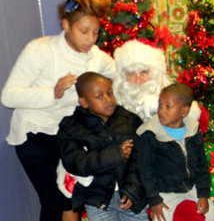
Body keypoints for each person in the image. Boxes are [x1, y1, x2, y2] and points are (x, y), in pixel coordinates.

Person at [1, 0, 115, 221]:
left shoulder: (99, 59)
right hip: (34, 133)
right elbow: (8, 97)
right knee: (53, 200)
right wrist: (52, 92)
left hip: (67, 136)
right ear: (66, 25)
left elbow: (120, 85)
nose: (90, 39)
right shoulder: (41, 50)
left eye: (95, 32)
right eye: (84, 31)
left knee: (71, 198)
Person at [57, 72, 149, 221]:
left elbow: (142, 159)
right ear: (84, 102)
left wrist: (133, 190)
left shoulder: (129, 120)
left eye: (110, 93)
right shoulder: (72, 127)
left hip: (132, 198)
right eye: (99, 96)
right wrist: (116, 154)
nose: (108, 100)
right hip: (98, 200)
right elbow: (75, 162)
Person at [136, 83, 214, 221]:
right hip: (165, 192)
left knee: (210, 215)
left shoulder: (193, 130)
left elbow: (201, 165)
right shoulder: (150, 134)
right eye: (160, 105)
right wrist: (154, 199)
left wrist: (203, 194)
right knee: (161, 218)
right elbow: (145, 171)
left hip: (191, 187)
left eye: (168, 107)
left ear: (184, 111)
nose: (161, 111)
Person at [113, 39, 209, 133]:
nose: (138, 80)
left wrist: (166, 106)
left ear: (157, 74)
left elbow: (202, 122)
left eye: (144, 72)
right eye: (131, 73)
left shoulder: (172, 92)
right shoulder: (111, 104)